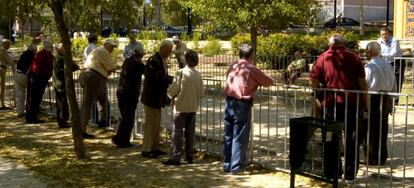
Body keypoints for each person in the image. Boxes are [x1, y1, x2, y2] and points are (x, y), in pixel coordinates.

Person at [311, 34, 368, 184]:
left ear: (330, 44)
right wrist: (366, 105)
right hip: (352, 104)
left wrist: (319, 97)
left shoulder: (322, 58)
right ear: (343, 43)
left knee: (331, 138)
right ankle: (350, 175)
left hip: (330, 105)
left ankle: (332, 172)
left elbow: (314, 83)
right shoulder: (354, 57)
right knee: (352, 139)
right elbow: (363, 84)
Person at [223, 44, 274, 175]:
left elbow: (228, 76)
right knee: (239, 135)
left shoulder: (233, 65)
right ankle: (236, 167)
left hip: (229, 102)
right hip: (242, 104)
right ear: (251, 56)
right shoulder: (251, 68)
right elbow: (268, 81)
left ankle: (227, 164)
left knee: (228, 134)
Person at [163, 49, 205, 165]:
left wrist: (169, 96)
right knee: (190, 133)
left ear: (186, 60)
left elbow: (174, 89)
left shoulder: (180, 72)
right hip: (193, 107)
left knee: (177, 132)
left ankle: (176, 156)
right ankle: (189, 156)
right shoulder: (198, 75)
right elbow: (201, 93)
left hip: (181, 107)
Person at [362, 41, 396, 166]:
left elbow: (365, 84)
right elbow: (394, 85)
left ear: (369, 52)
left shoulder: (370, 67)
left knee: (369, 128)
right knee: (382, 128)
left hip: (373, 97)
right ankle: (381, 157)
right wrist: (392, 101)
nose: (365, 53)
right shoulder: (388, 65)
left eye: (366, 51)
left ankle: (371, 157)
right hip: (385, 97)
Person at [140, 39, 174, 158]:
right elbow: (159, 78)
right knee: (150, 125)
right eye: (169, 50)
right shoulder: (154, 60)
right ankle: (147, 149)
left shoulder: (160, 60)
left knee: (155, 125)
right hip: (151, 98)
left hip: (156, 98)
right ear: (163, 48)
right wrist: (174, 79)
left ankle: (154, 147)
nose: (170, 53)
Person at [79, 39, 118, 139]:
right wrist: (115, 67)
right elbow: (112, 67)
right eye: (112, 46)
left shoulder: (98, 51)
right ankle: (82, 130)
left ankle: (102, 122)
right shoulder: (103, 51)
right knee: (87, 103)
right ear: (106, 44)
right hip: (93, 76)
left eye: (114, 47)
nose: (113, 49)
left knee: (102, 99)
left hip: (92, 76)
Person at [112, 43, 145, 148]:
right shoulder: (137, 64)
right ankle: (122, 140)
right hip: (130, 94)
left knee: (125, 117)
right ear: (139, 54)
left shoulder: (127, 61)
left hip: (121, 91)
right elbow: (148, 71)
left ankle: (119, 138)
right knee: (128, 119)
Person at [25, 40, 54, 124]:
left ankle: (29, 117)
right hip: (39, 78)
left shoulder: (40, 53)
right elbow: (52, 65)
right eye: (51, 47)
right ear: (47, 47)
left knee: (31, 97)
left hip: (33, 76)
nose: (52, 49)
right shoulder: (47, 54)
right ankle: (32, 117)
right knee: (36, 98)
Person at [52, 43, 80, 128]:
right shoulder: (61, 58)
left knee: (60, 103)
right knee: (63, 104)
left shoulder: (57, 57)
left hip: (58, 83)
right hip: (61, 83)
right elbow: (73, 67)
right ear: (59, 49)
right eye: (62, 48)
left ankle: (62, 120)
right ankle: (62, 121)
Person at [377, 27, 403, 104]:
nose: (384, 36)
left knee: (397, 80)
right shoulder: (378, 41)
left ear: (389, 34)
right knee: (385, 80)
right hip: (385, 63)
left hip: (396, 62)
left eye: (385, 34)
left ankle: (395, 101)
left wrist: (382, 56)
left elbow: (394, 53)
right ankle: (387, 100)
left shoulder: (394, 41)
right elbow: (377, 52)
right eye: (382, 34)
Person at [14, 43, 37, 117]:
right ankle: (31, 110)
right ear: (34, 50)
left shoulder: (24, 53)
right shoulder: (32, 55)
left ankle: (20, 112)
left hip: (17, 74)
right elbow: (32, 67)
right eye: (36, 50)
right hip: (24, 75)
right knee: (32, 93)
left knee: (20, 95)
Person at [0, 39, 14, 110]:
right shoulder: (4, 50)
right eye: (8, 44)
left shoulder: (1, 50)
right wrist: (15, 61)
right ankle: (2, 104)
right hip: (2, 69)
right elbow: (8, 60)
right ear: (4, 44)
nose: (9, 46)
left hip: (2, 67)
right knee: (2, 87)